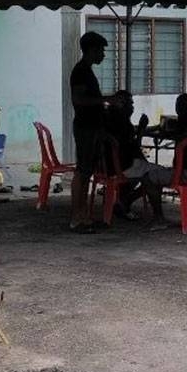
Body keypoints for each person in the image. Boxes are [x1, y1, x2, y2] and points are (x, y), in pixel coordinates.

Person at [69, 31, 118, 234]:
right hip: (85, 127)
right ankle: (76, 218)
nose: (103, 55)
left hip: (91, 127)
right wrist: (105, 100)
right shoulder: (80, 71)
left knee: (86, 171)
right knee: (82, 171)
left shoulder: (87, 71)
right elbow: (79, 100)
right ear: (92, 50)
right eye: (101, 50)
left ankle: (83, 216)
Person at [141, 92, 187, 231]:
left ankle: (159, 218)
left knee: (148, 177)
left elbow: (180, 134)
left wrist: (166, 132)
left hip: (185, 174)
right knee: (156, 173)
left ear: (179, 109)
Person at [103, 90, 165, 221]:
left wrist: (147, 128)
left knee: (145, 170)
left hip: (107, 166)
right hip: (123, 166)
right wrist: (142, 130)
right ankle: (128, 202)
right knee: (158, 175)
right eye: (130, 103)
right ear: (120, 104)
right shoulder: (122, 123)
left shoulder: (108, 118)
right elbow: (135, 147)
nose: (132, 107)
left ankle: (123, 201)